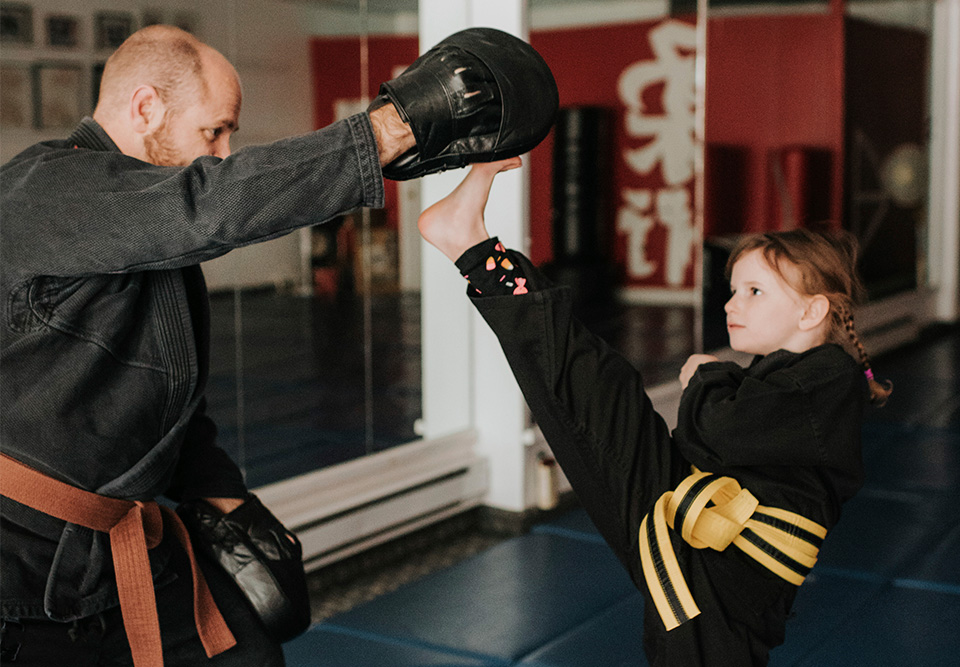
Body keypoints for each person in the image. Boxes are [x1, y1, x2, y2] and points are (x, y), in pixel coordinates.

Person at [0, 24, 556, 667]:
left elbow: (163, 394)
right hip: (21, 578)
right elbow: (209, 206)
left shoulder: (144, 230)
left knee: (253, 654)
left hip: (117, 554)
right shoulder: (42, 190)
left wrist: (227, 498)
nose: (223, 152)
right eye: (214, 132)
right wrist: (391, 130)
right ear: (145, 106)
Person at [418, 158, 892, 667]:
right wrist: (722, 378)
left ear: (812, 311)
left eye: (755, 292)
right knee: (603, 396)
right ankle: (477, 253)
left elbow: (720, 430)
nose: (733, 305)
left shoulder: (827, 377)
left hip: (717, 578)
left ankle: (474, 251)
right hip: (706, 544)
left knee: (600, 403)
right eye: (732, 290)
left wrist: (708, 379)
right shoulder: (798, 377)